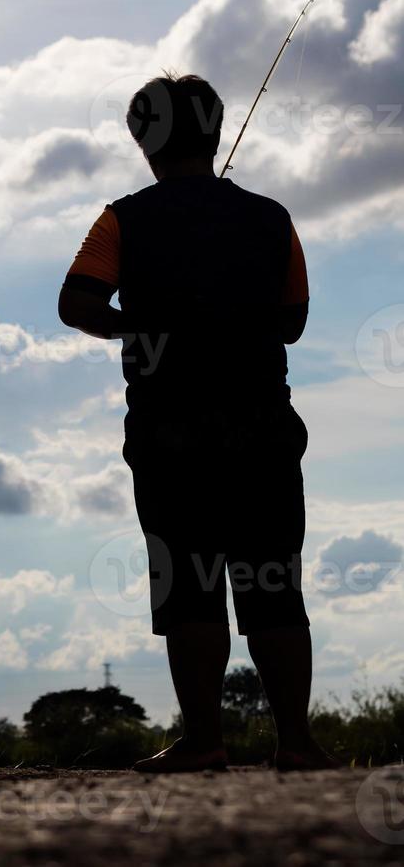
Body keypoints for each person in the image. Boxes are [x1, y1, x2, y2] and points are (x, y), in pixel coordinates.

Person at [58, 73, 336, 773]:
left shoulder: (121, 219)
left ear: (142, 141)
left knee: (188, 582)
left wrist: (142, 326)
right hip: (264, 428)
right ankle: (295, 744)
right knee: (273, 581)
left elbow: (77, 303)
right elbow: (295, 322)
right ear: (215, 135)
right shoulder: (272, 218)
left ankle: (204, 741)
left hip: (169, 433)